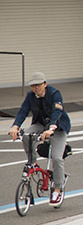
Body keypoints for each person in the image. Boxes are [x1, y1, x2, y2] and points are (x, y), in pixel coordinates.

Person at [8, 72, 71, 206]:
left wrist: (51, 128)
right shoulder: (30, 96)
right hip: (41, 124)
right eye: (33, 86)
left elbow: (57, 112)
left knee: (57, 158)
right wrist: (15, 126)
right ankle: (33, 161)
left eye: (39, 85)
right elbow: (23, 111)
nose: (36, 88)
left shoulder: (54, 94)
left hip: (58, 127)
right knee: (25, 134)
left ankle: (57, 189)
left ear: (45, 84)